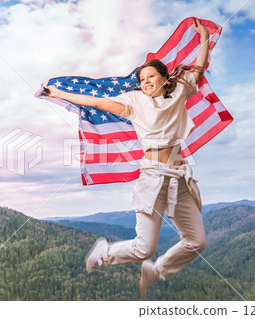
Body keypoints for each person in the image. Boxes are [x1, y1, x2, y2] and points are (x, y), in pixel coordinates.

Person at [44, 19, 210, 297]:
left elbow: (199, 67)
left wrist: (203, 36)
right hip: (154, 177)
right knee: (144, 247)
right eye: (142, 79)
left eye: (151, 78)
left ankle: (157, 270)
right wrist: (60, 93)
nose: (145, 82)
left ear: (163, 78)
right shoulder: (134, 101)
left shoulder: (180, 90)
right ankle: (105, 253)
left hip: (179, 178)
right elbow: (97, 102)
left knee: (197, 241)